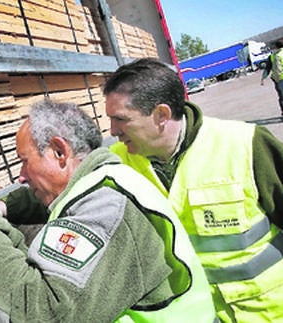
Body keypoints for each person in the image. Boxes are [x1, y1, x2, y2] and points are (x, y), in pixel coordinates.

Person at [0, 99, 216, 322]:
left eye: (25, 161)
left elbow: (41, 313)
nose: (21, 175)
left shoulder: (106, 210)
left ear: (60, 151)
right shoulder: (105, 178)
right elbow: (48, 201)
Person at [103, 58, 283, 322]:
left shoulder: (245, 145)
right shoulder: (116, 163)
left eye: (120, 119)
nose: (113, 131)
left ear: (161, 115)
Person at [261, 38, 283, 115]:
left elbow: (267, 68)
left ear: (276, 47)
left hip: (278, 80)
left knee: (282, 97)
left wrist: (263, 78)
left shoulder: (272, 56)